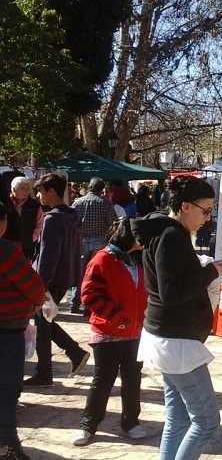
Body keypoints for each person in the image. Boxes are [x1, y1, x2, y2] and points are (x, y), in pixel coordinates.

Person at [131, 176, 222, 460]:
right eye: (205, 210)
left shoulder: (169, 232)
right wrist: (210, 272)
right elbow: (171, 292)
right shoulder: (171, 236)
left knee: (178, 418)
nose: (208, 218)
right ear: (185, 206)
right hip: (175, 341)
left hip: (168, 338)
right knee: (206, 422)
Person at [71, 218, 149, 447]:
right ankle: (88, 425)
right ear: (128, 236)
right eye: (139, 235)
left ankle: (131, 421)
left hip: (136, 333)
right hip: (107, 332)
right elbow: (89, 294)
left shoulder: (141, 260)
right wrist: (116, 316)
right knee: (103, 380)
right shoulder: (102, 259)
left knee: (133, 379)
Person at [25, 174, 90, 386]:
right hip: (65, 276)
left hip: (51, 279)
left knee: (43, 323)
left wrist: (40, 284)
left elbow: (48, 255)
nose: (38, 196)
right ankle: (73, 353)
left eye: (40, 191)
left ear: (51, 192)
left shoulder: (53, 219)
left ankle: (45, 371)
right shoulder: (72, 216)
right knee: (45, 321)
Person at [0, 203, 46, 460]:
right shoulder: (6, 250)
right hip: (7, 331)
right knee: (6, 392)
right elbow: (34, 287)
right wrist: (35, 304)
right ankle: (6, 446)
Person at [70, 177, 118, 314]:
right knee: (94, 274)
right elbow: (113, 223)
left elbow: (72, 222)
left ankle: (74, 302)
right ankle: (88, 305)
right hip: (99, 240)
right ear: (102, 189)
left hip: (81, 240)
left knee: (80, 272)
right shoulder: (105, 203)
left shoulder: (77, 202)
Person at [9, 177, 43, 261]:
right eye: (22, 188)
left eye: (28, 188)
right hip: (7, 243)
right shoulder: (5, 202)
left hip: (27, 246)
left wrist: (32, 238)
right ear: (13, 189)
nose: (26, 191)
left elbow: (40, 224)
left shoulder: (34, 205)